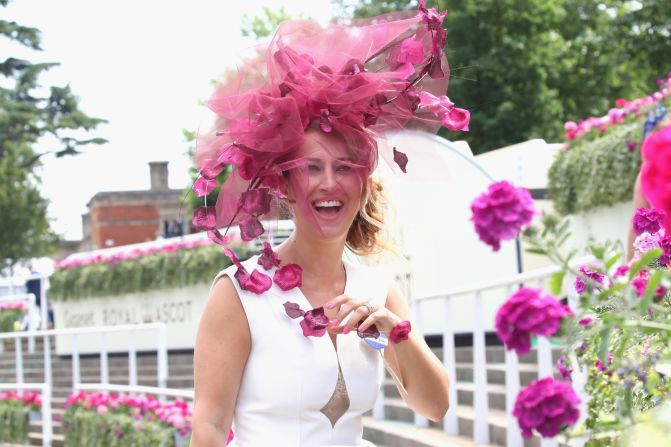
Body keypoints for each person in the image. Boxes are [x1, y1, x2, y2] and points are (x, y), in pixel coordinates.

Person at [190, 3, 469, 445]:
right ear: (283, 182)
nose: (329, 184)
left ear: (363, 181)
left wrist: (394, 333)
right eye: (311, 167)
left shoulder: (377, 289)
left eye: (344, 167)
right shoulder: (239, 294)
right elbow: (208, 425)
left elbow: (434, 406)